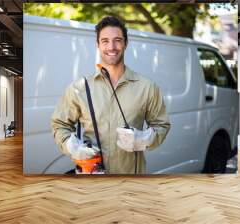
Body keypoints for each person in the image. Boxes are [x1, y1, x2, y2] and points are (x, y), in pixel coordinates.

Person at [51, 16, 170, 174]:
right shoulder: (78, 88)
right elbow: (59, 125)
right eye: (105, 41)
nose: (111, 47)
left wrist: (144, 139)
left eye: (117, 40)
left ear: (126, 44)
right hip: (92, 182)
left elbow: (162, 126)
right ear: (98, 45)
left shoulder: (147, 87)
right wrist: (72, 146)